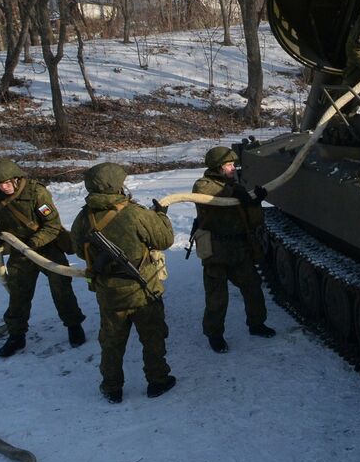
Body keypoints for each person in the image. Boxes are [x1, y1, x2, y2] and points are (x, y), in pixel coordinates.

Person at [69, 163, 176, 403]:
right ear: (117, 185)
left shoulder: (84, 217)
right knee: (153, 338)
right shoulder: (135, 213)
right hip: (143, 290)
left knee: (111, 342)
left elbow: (77, 248)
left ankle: (112, 388)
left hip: (109, 293)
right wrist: (161, 216)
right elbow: (165, 239)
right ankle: (158, 381)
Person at [0, 157, 87, 358]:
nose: (4, 187)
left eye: (7, 182)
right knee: (18, 295)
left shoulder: (36, 192)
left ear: (17, 178)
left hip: (47, 247)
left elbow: (52, 225)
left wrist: (33, 243)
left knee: (61, 289)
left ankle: (73, 325)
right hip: (19, 251)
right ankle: (16, 335)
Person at [191, 147, 276, 353]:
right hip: (216, 250)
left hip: (239, 249)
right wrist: (236, 192)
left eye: (233, 165)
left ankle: (256, 323)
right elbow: (207, 194)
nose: (233, 168)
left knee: (253, 287)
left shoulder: (236, 186)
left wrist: (255, 202)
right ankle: (215, 334)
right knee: (217, 297)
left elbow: (254, 220)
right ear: (218, 167)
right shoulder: (204, 185)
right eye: (229, 165)